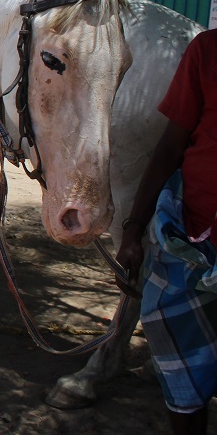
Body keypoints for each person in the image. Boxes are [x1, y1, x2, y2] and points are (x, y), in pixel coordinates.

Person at [116, 28, 217, 435]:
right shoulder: (207, 51)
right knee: (185, 382)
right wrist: (133, 229)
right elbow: (170, 147)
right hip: (194, 243)